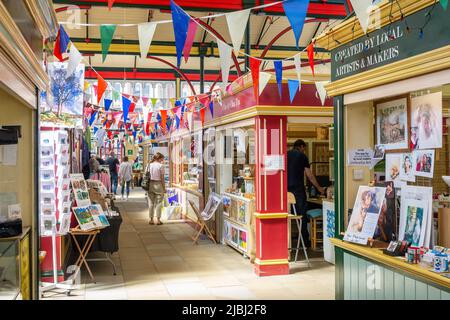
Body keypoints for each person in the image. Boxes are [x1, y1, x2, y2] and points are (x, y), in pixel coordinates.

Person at [287, 139, 325, 246]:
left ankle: (288, 240)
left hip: (285, 190)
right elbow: (309, 175)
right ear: (302, 147)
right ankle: (304, 241)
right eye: (304, 149)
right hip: (298, 190)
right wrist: (319, 188)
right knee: (301, 214)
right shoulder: (302, 156)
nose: (304, 151)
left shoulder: (285, 154)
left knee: (288, 215)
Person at [147, 152, 166, 225]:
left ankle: (151, 219)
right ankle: (158, 220)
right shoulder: (161, 166)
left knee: (151, 203)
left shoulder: (149, 165)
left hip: (150, 185)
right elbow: (162, 178)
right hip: (158, 185)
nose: (162, 160)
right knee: (159, 203)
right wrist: (164, 188)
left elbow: (146, 175)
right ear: (159, 158)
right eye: (162, 158)